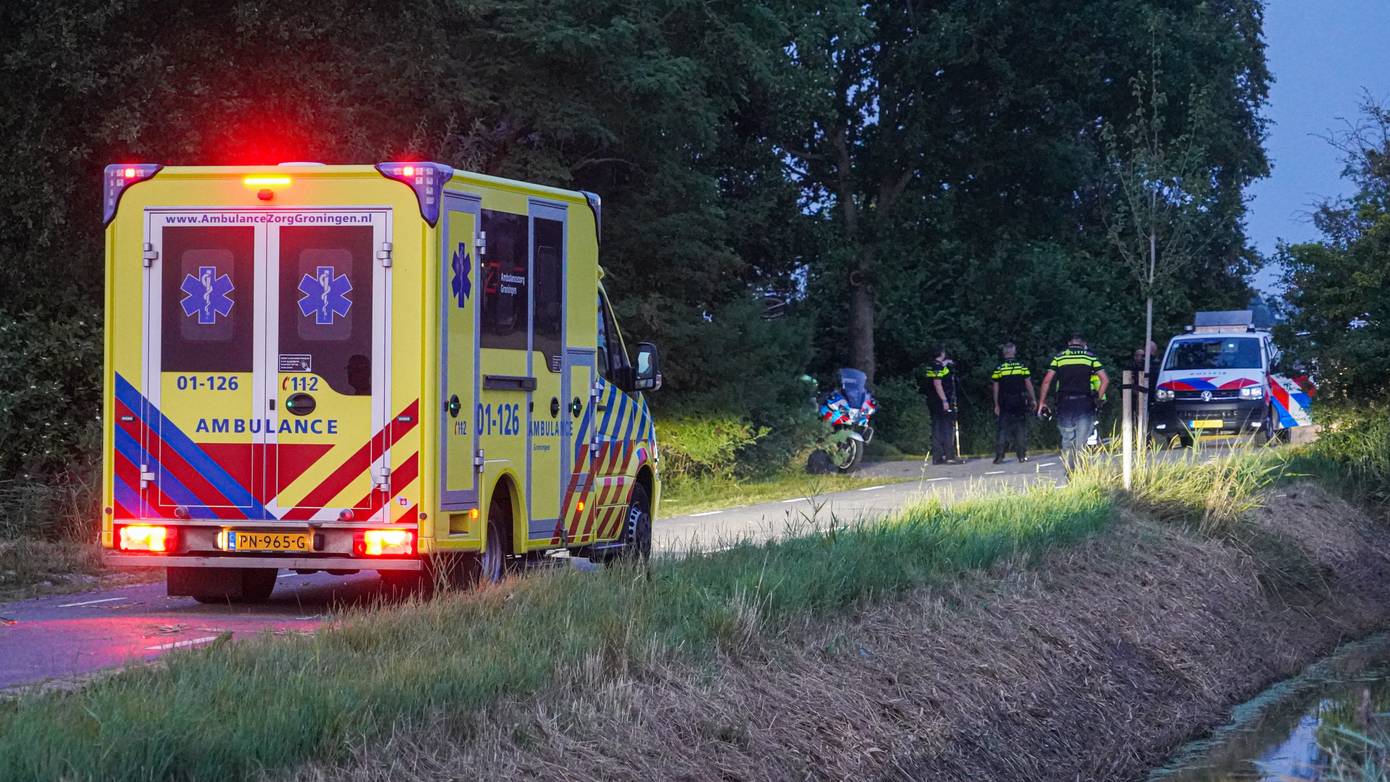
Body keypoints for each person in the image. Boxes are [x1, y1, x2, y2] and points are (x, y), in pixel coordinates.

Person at [1037, 333, 1109, 471]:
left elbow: (1047, 381)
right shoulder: (1090, 357)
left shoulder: (1059, 358)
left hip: (1065, 405)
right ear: (1083, 343)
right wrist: (1098, 399)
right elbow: (1105, 379)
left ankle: (1070, 471)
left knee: (1067, 439)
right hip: (1085, 404)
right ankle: (1079, 473)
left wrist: (1042, 402)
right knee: (1081, 442)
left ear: (1069, 343)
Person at [990, 343, 1035, 464]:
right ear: (1014, 352)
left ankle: (999, 456)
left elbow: (995, 388)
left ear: (1004, 353)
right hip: (1020, 400)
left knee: (1003, 429)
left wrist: (996, 404)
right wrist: (1033, 399)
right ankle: (1021, 455)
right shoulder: (1021, 366)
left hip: (1004, 401)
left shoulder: (999, 368)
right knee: (1020, 428)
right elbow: (1028, 384)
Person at [922, 346, 964, 465]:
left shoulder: (931, 366)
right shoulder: (938, 367)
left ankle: (937, 456)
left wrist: (944, 364)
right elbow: (937, 383)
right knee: (946, 428)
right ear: (941, 353)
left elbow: (935, 375)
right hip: (941, 401)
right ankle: (949, 456)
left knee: (936, 428)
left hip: (932, 401)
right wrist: (945, 400)